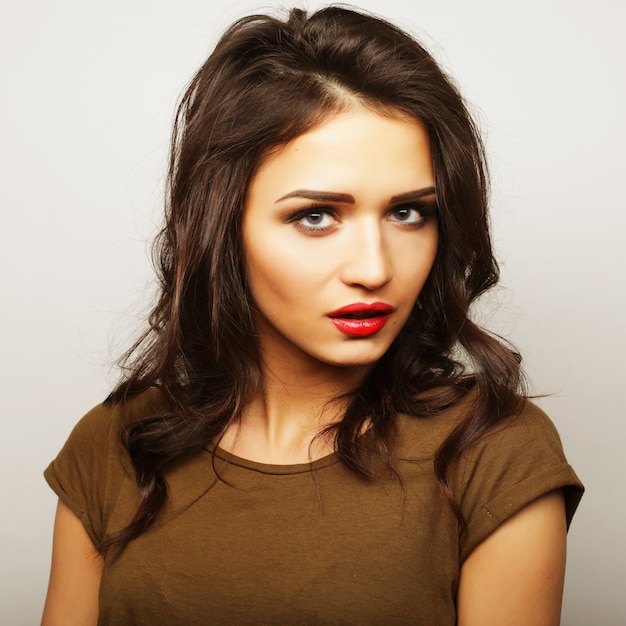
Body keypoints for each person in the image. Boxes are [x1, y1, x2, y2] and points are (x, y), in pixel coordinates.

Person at [41, 6, 583, 625]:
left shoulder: (494, 450)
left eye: (408, 213)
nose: (374, 268)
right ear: (224, 225)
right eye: (316, 216)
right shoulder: (117, 443)